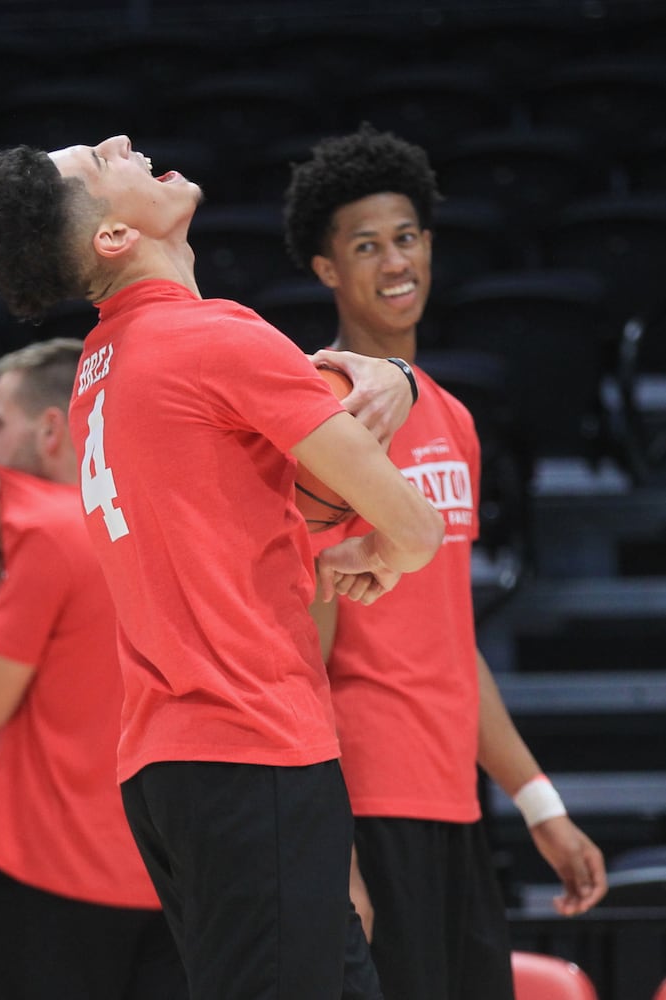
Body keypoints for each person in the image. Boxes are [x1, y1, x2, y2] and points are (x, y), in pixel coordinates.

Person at [0, 135, 448, 1000]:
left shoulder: (96, 368)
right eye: (100, 160)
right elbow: (416, 525)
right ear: (114, 237)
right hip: (248, 744)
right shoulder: (212, 336)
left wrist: (387, 393)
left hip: (171, 760)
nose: (122, 143)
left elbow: (233, 511)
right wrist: (384, 544)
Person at [283, 123, 607, 1000]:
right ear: (325, 271)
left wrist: (539, 804)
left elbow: (447, 640)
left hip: (453, 806)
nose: (394, 263)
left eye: (405, 239)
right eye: (364, 246)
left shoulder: (454, 419)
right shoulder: (321, 419)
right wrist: (330, 846)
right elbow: (299, 650)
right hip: (368, 799)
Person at [0, 338, 184, 1000]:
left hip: (63, 881)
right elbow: (68, 713)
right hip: (170, 872)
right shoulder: (163, 523)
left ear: (49, 430)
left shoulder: (49, 530)